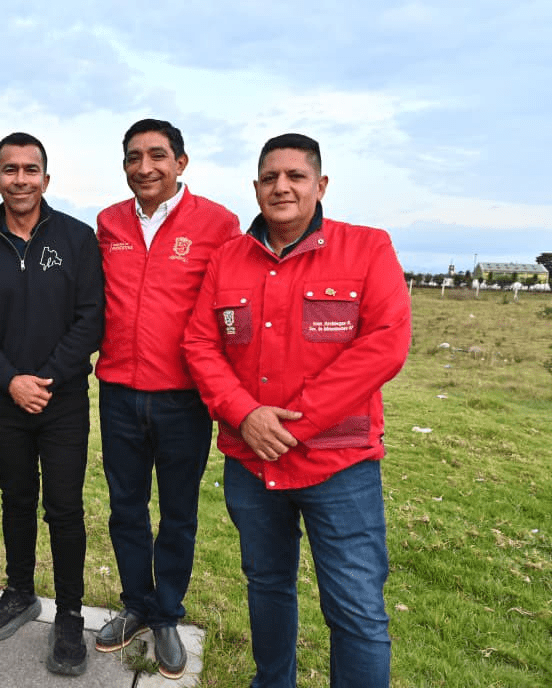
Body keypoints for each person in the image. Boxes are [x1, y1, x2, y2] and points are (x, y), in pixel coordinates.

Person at [183, 133, 411, 688]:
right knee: (266, 586)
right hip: (251, 463)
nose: (281, 187)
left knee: (355, 607)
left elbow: (385, 343)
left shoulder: (367, 248)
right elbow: (200, 343)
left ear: (320, 185)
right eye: (270, 178)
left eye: (295, 176)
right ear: (256, 187)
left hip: (340, 466)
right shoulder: (228, 259)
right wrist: (244, 414)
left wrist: (294, 424)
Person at [93, 118, 240, 678]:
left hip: (184, 398)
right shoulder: (109, 222)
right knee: (126, 507)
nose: (145, 167)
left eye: (157, 155)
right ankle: (136, 605)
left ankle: (167, 615)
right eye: (134, 157)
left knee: (178, 514)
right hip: (118, 391)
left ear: (181, 162)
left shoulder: (218, 223)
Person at [0, 132, 104, 676]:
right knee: (16, 499)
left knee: (64, 508)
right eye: (10, 169)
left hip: (63, 400)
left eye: (30, 169)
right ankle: (20, 592)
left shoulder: (76, 238)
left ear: (46, 177)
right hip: (6, 399)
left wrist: (46, 377)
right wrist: (11, 379)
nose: (20, 179)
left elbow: (91, 318)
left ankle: (69, 614)